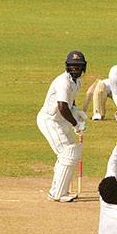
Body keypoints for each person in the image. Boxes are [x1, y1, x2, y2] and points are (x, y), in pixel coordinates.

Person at [37, 51, 89, 203]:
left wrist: (77, 112)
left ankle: (63, 190)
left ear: (83, 67)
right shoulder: (63, 81)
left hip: (62, 120)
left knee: (73, 152)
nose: (75, 68)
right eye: (72, 66)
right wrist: (76, 123)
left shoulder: (76, 82)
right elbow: (61, 106)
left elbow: (69, 104)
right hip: (50, 120)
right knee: (66, 154)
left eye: (78, 66)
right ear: (67, 66)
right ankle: (56, 193)